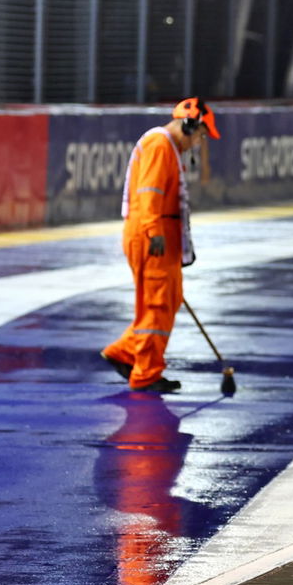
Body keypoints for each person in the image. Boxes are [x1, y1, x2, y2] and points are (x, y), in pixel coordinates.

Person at [101, 97, 219, 393]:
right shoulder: (159, 145)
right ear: (190, 124)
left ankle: (127, 351)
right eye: (202, 135)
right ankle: (146, 373)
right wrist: (154, 231)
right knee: (155, 304)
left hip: (160, 234)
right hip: (152, 235)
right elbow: (148, 192)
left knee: (169, 299)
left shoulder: (166, 147)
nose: (200, 142)